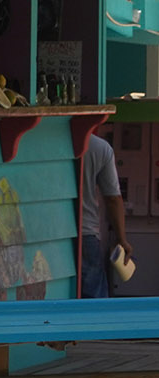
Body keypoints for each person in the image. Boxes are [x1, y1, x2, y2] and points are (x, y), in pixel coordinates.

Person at [79, 120, 130, 299]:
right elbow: (113, 199)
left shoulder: (50, 143)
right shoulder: (100, 148)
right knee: (94, 297)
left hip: (52, 233)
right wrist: (121, 239)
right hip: (87, 233)